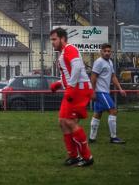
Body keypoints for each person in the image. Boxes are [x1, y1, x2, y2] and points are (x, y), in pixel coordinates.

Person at [49, 28, 94, 167]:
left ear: (63, 38)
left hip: (78, 89)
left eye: (54, 39)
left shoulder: (70, 48)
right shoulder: (63, 53)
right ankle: (73, 156)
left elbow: (77, 68)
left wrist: (71, 87)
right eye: (51, 40)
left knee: (69, 122)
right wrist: (59, 83)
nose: (52, 42)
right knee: (63, 122)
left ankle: (87, 157)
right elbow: (68, 74)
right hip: (74, 88)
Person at [89, 43, 126, 144]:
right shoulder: (99, 62)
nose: (107, 53)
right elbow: (93, 77)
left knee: (98, 114)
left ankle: (92, 138)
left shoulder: (109, 62)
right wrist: (92, 91)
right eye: (105, 51)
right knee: (113, 111)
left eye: (109, 51)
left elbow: (113, 77)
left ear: (111, 52)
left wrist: (120, 89)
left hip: (104, 92)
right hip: (100, 92)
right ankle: (113, 138)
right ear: (101, 52)